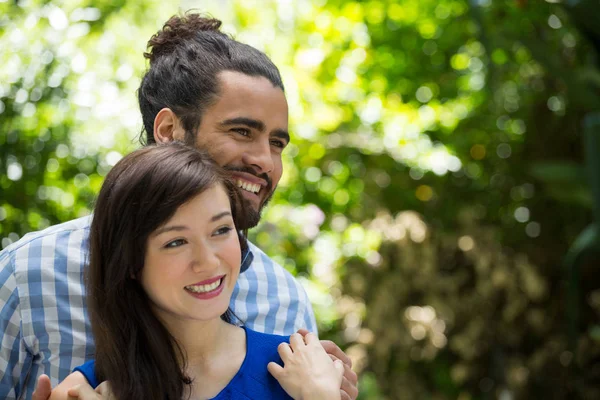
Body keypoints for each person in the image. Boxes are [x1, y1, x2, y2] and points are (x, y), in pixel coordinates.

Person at [0, 13, 358, 400]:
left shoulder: (284, 299)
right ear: (169, 131)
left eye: (277, 143)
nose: (266, 162)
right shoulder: (27, 273)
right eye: (242, 131)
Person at [46, 142, 344, 400]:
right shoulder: (83, 391)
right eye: (176, 241)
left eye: (221, 230)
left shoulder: (300, 372)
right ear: (130, 262)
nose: (209, 262)